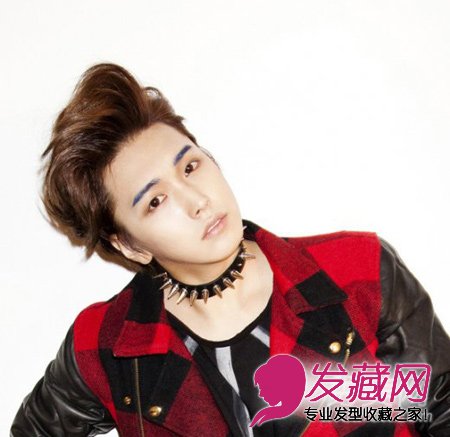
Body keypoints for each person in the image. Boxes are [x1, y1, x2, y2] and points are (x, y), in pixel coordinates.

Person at [11, 63, 450, 437]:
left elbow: (441, 405)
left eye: (190, 166)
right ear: (129, 244)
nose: (196, 200)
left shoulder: (356, 269)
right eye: (156, 201)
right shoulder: (108, 345)